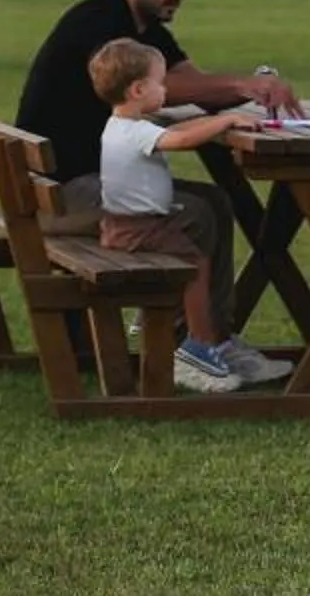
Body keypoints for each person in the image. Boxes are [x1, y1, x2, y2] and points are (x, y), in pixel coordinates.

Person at [16, 0, 300, 385]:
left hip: (73, 185)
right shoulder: (102, 25)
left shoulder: (145, 28)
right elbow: (172, 87)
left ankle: (212, 340)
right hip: (61, 195)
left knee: (214, 202)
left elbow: (195, 85)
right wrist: (241, 85)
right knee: (194, 213)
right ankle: (195, 348)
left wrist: (257, 87)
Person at [88, 38, 261, 393]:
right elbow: (179, 141)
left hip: (126, 223)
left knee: (198, 216)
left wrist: (211, 121)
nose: (165, 90)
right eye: (159, 83)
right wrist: (226, 119)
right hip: (136, 228)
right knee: (194, 261)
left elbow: (173, 133)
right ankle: (197, 347)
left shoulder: (122, 124)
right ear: (138, 89)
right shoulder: (134, 131)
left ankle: (169, 322)